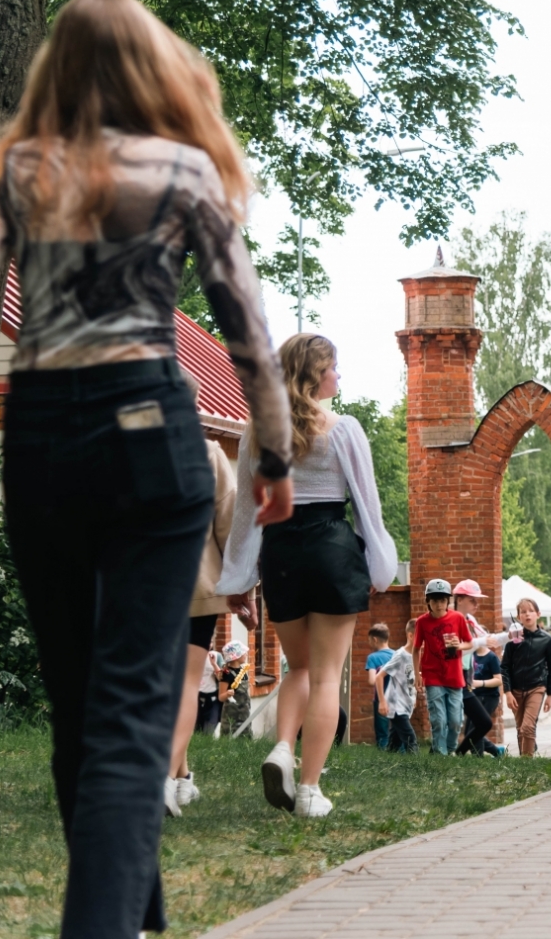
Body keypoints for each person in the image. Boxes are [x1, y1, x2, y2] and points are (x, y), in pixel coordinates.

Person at [0, 0, 294, 938]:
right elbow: (244, 319)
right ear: (151, 67)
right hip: (150, 433)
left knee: (79, 707)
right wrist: (274, 449)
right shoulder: (183, 167)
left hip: (40, 438)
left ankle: (132, 910)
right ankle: (116, 921)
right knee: (126, 708)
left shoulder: (16, 167)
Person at [221, 333, 398, 817]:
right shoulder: (342, 429)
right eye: (334, 368)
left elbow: (245, 513)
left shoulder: (256, 433)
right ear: (316, 374)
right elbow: (367, 506)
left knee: (296, 668)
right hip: (330, 548)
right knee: (325, 677)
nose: (339, 376)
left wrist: (238, 579)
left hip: (280, 553)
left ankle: (282, 748)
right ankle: (309, 790)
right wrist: (379, 563)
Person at [167, 438, 239, 815]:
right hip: (196, 583)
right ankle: (163, 780)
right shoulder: (207, 452)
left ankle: (182, 780)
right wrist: (241, 583)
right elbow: (228, 521)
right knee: (183, 686)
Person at [413, 578, 473, 755]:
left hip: (454, 677)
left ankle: (450, 748)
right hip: (433, 677)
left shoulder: (458, 618)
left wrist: (459, 646)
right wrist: (417, 674)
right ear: (428, 602)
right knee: (438, 719)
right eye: (434, 600)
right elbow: (416, 650)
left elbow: (469, 643)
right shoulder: (422, 622)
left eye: (442, 600)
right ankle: (440, 754)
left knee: (455, 721)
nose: (438, 604)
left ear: (448, 601)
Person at [448, 580, 501, 757]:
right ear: (460, 599)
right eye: (473, 600)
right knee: (449, 722)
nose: (477, 604)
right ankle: (442, 756)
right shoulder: (449, 620)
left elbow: (487, 639)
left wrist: (511, 636)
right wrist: (481, 641)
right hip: (449, 676)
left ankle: (459, 753)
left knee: (483, 723)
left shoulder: (470, 620)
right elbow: (456, 650)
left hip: (465, 678)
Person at [501, 597, 551, 756]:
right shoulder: (513, 641)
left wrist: (550, 695)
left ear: (538, 614)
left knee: (527, 727)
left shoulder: (546, 640)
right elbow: (504, 667)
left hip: (537, 688)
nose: (527, 614)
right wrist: (508, 692)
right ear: (519, 617)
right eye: (523, 612)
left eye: (531, 611)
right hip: (516, 691)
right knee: (520, 729)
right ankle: (525, 761)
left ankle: (527, 761)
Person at [376, 618, 418, 754]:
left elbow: (408, 678)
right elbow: (379, 676)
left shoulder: (415, 656)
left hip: (406, 704)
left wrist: (414, 697)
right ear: (411, 636)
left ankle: (386, 762)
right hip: (396, 706)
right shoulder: (400, 655)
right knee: (410, 738)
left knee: (394, 742)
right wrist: (382, 701)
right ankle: (419, 768)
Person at [364, 623, 395, 751]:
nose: (370, 642)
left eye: (370, 640)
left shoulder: (372, 657)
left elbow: (372, 680)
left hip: (380, 699)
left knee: (382, 733)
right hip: (397, 698)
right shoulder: (397, 654)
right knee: (398, 729)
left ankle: (383, 754)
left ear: (375, 639)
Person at [219, 641, 253, 738]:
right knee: (230, 736)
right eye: (243, 653)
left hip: (244, 712)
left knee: (246, 736)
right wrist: (227, 694)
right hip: (231, 713)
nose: (246, 654)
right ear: (236, 656)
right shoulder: (227, 673)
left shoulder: (243, 671)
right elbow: (221, 697)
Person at [195, 644, 224, 734]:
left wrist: (214, 664)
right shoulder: (191, 656)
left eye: (211, 641)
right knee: (197, 732)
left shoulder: (217, 656)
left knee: (209, 731)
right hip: (196, 698)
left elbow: (222, 678)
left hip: (213, 698)